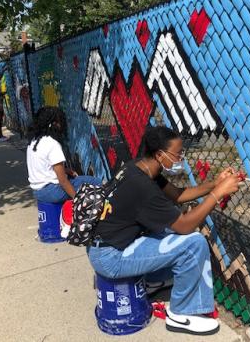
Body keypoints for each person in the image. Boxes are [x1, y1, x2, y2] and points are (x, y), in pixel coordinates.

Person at [88, 126, 241, 336]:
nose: (181, 158)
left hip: (107, 247)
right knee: (194, 243)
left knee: (168, 232)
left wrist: (215, 183)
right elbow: (186, 225)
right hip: (111, 258)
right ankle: (182, 313)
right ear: (160, 154)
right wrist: (217, 194)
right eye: (178, 154)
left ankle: (151, 281)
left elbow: (177, 195)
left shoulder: (139, 168)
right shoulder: (143, 186)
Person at [27, 106, 101, 203]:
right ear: (53, 124)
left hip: (38, 192)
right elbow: (63, 181)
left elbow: (43, 168)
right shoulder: (52, 144)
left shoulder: (34, 141)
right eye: (59, 122)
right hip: (53, 192)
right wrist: (77, 199)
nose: (61, 125)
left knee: (75, 179)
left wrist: (66, 170)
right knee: (96, 182)